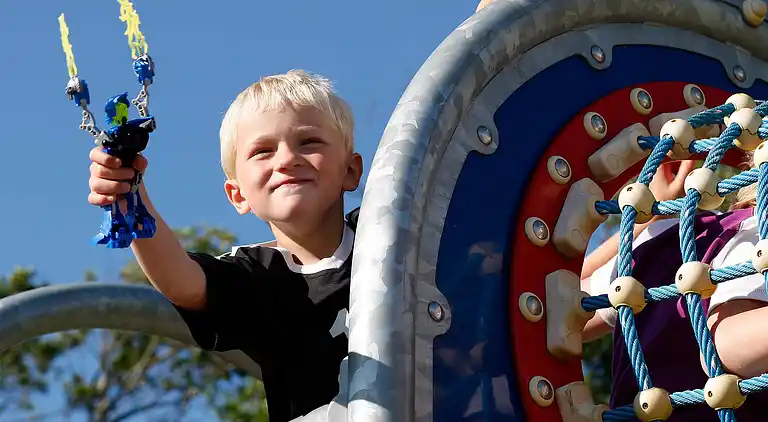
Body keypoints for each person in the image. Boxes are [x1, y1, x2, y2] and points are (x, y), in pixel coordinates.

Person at [87, 69, 364, 422]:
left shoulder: (389, 231)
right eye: (263, 151)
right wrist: (130, 194)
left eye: (308, 142)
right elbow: (180, 281)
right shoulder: (259, 275)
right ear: (238, 194)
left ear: (351, 171)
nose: (286, 160)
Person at [581, 158, 768, 420]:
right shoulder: (758, 235)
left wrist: (645, 218)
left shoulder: (676, 235)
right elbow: (727, 343)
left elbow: (567, 309)